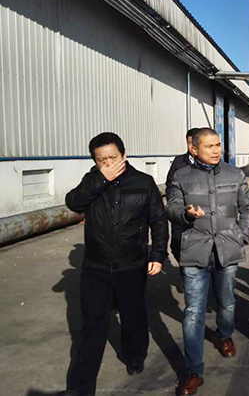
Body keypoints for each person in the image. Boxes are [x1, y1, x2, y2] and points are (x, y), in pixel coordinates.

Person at [63, 132, 168, 396]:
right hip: (96, 268)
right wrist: (101, 179)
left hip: (131, 265)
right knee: (92, 326)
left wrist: (157, 255)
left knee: (133, 316)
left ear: (124, 155)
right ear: (95, 161)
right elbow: (73, 202)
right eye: (101, 160)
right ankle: (82, 386)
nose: (108, 163)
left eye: (113, 157)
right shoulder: (92, 180)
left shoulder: (143, 182)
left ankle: (134, 356)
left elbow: (158, 220)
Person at [167, 127, 249, 396]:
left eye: (218, 145)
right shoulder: (181, 176)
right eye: (209, 146)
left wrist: (241, 235)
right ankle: (193, 370)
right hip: (195, 251)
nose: (216, 150)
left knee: (227, 302)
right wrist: (186, 214)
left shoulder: (234, 174)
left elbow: (248, 207)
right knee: (193, 312)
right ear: (194, 149)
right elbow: (171, 209)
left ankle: (224, 334)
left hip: (227, 249)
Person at [166, 127, 202, 264]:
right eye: (189, 143)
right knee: (177, 246)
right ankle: (185, 269)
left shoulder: (208, 162)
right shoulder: (179, 162)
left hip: (200, 213)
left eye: (194, 143)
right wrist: (175, 204)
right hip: (181, 212)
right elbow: (170, 184)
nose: (191, 146)